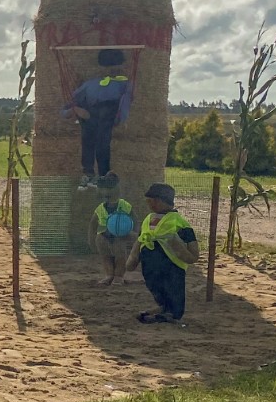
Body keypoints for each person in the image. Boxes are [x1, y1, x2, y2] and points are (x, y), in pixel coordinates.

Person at [126, 182, 200, 323]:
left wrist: (186, 254)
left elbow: (193, 250)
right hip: (150, 266)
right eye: (149, 201)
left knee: (173, 289)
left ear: (163, 200)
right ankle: (163, 308)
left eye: (154, 200)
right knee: (156, 288)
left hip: (171, 266)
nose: (151, 204)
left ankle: (172, 313)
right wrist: (133, 257)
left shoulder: (179, 222)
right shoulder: (148, 219)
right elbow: (141, 238)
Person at [64, 49, 133, 188]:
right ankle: (90, 173)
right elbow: (69, 105)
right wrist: (75, 110)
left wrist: (120, 119)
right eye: (109, 66)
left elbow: (124, 104)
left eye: (115, 66)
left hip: (108, 114)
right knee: (89, 137)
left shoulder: (124, 84)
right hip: (90, 115)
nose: (112, 69)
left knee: (102, 140)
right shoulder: (90, 85)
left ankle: (102, 175)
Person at [88, 173, 136, 285]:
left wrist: (134, 232)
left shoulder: (124, 205)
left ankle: (118, 276)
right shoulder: (100, 208)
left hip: (119, 236)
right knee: (105, 257)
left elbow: (134, 219)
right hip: (103, 236)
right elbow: (93, 224)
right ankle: (109, 275)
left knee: (120, 256)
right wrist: (91, 239)